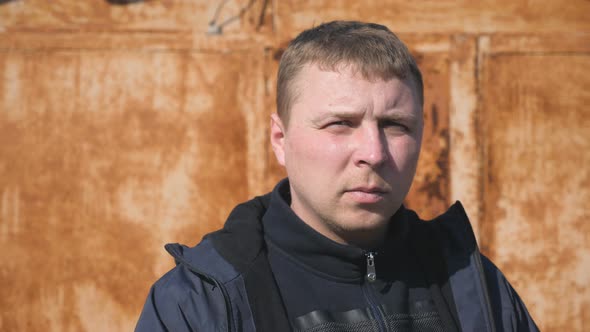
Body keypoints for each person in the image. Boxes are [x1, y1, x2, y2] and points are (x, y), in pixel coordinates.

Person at [135, 21, 538, 332]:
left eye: (395, 125)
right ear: (280, 139)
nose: (374, 153)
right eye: (340, 123)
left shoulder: (473, 287)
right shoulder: (204, 302)